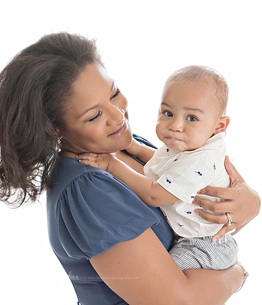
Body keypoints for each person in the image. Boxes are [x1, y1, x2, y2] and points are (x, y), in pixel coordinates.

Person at [0, 33, 257, 304]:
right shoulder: (88, 191)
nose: (117, 115)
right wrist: (237, 274)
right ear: (56, 129)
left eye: (114, 94)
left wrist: (251, 204)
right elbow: (177, 302)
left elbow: (209, 202)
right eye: (95, 115)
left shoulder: (125, 146)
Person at [76, 65, 238, 271]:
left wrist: (110, 164)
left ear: (219, 126)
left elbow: (155, 194)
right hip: (192, 236)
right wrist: (137, 148)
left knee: (164, 278)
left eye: (192, 118)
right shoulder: (190, 142)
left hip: (205, 244)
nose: (175, 125)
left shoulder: (202, 160)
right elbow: (167, 166)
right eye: (168, 113)